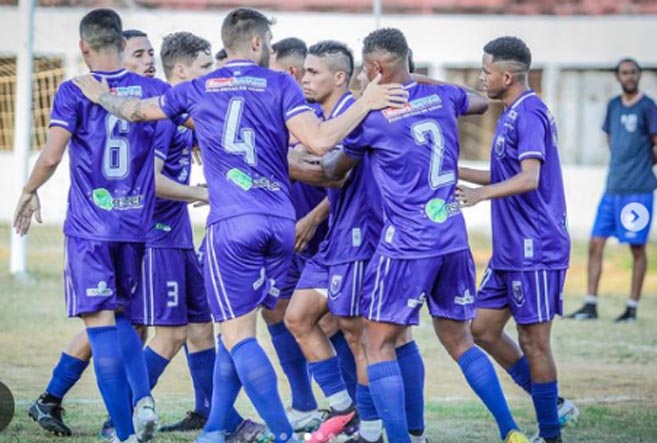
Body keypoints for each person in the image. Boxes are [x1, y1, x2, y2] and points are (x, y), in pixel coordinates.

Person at [71, 8, 407, 443]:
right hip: (280, 224)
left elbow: (135, 112)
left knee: (237, 334)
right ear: (256, 42)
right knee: (237, 331)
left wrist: (100, 94)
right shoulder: (280, 84)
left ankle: (283, 434)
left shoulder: (198, 88)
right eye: (269, 41)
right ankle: (216, 428)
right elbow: (322, 141)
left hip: (232, 224)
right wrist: (365, 102)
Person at [318, 28, 528, 443]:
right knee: (460, 340)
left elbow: (334, 171)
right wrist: (416, 80)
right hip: (451, 236)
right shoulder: (443, 97)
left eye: (364, 69)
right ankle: (511, 431)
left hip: (407, 243)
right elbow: (481, 101)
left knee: (377, 343)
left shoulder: (371, 118)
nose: (361, 76)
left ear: (376, 68)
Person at [15, 9, 163, 443]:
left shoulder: (74, 90)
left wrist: (28, 190)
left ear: (83, 47)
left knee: (100, 329)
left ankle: (125, 433)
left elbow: (51, 156)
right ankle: (143, 399)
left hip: (90, 228)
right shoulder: (152, 89)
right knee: (125, 318)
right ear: (121, 42)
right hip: (135, 225)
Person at [457, 36, 572, 443]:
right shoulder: (511, 114)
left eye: (486, 71)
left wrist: (480, 196)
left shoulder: (530, 113)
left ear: (507, 76)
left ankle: (550, 432)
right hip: (510, 249)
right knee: (481, 328)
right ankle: (555, 404)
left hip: (535, 247)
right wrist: (452, 171)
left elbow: (529, 178)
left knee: (534, 342)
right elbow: (504, 174)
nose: (481, 78)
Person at [567, 57, 657, 322]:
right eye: (624, 73)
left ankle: (631, 308)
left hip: (638, 189)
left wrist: (641, 165)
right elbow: (611, 138)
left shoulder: (648, 106)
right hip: (613, 187)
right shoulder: (613, 106)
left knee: (636, 248)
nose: (629, 77)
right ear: (617, 77)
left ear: (639, 75)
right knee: (595, 243)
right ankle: (590, 304)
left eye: (633, 72)